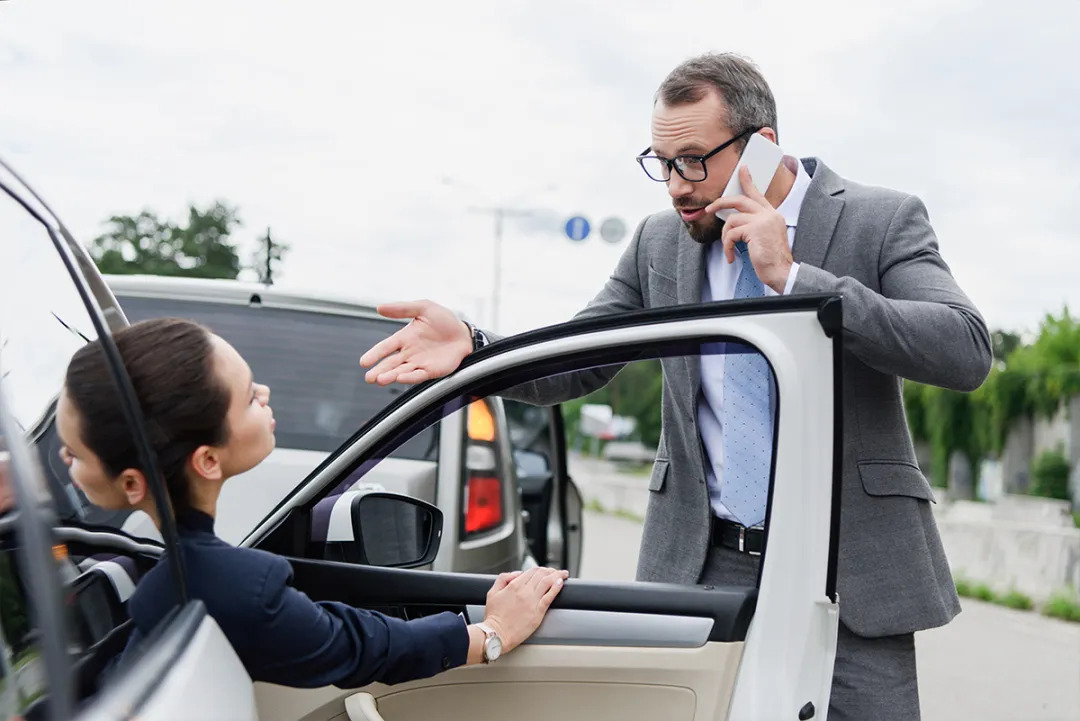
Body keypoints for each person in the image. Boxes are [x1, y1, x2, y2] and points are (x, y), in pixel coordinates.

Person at [358, 52, 992, 719]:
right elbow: (578, 358)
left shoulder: (880, 219)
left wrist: (799, 280)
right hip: (703, 566)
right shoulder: (660, 243)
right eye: (661, 162)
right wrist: (477, 348)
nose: (675, 184)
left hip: (850, 574)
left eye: (693, 160)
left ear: (762, 149)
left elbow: (964, 348)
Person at [56, 317, 567, 689]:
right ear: (207, 460)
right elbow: (363, 647)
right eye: (247, 396)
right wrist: (493, 632)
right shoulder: (224, 586)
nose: (265, 390)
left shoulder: (161, 569)